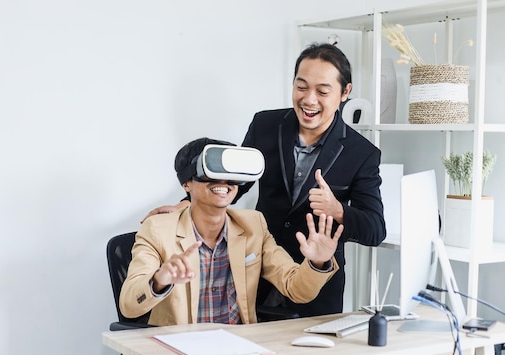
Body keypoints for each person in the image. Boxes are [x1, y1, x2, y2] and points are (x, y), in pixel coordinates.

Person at [143, 43, 386, 318]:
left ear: (345, 93)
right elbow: (234, 181)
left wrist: (338, 211)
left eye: (322, 91)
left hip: (315, 282)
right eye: (302, 86)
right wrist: (188, 204)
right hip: (255, 270)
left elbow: (375, 229)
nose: (309, 99)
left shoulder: (362, 153)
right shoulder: (266, 125)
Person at [121, 137, 343, 355]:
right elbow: (129, 304)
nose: (222, 181)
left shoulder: (253, 226)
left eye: (230, 175)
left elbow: (295, 287)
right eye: (211, 172)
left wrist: (318, 261)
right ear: (186, 183)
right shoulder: (158, 230)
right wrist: (159, 280)